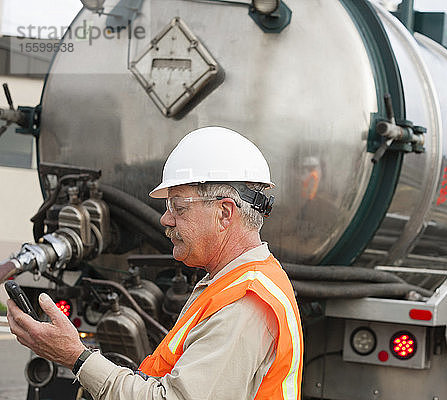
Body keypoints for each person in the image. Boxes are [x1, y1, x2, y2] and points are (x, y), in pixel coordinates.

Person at [7, 126, 304, 399]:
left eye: (179, 206)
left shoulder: (244, 303)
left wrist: (77, 357)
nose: (165, 219)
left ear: (225, 213)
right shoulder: (231, 283)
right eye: (167, 206)